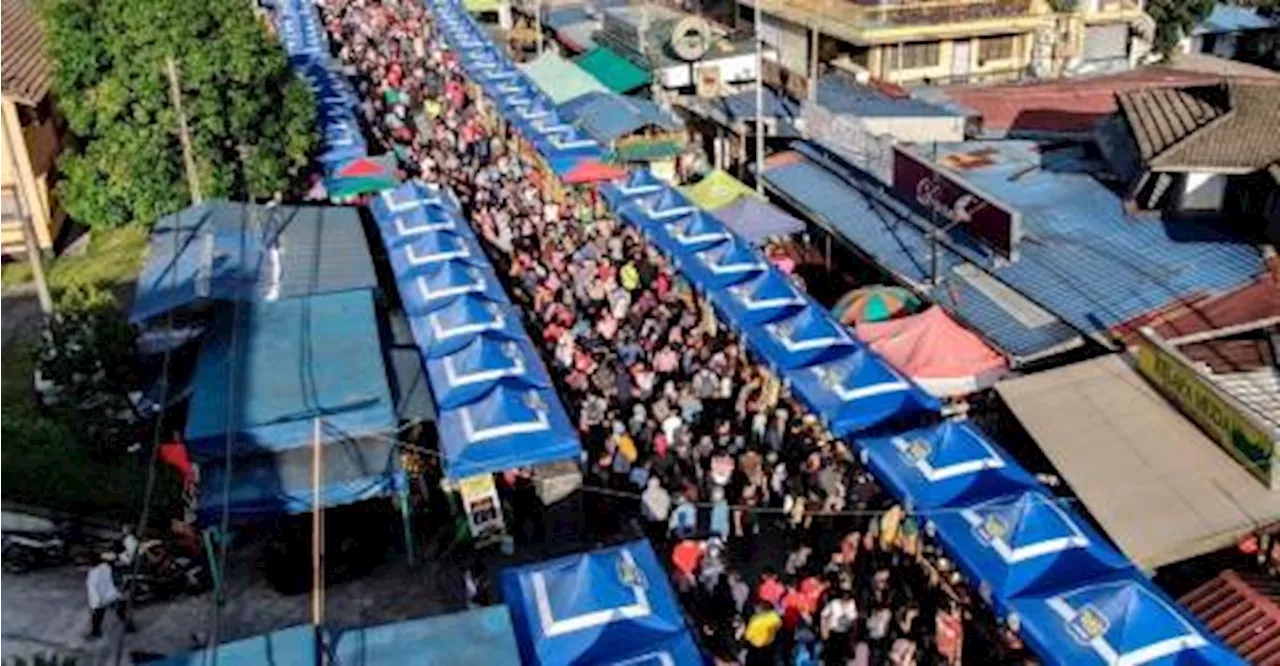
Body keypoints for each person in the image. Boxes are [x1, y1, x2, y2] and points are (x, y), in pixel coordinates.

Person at [86, 553, 134, 638]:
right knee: (121, 611)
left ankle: (96, 632)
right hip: (113, 595)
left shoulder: (93, 574)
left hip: (102, 598)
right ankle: (129, 626)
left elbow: (93, 590)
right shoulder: (108, 569)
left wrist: (94, 603)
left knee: (97, 616)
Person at [744, 599, 783, 666]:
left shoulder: (755, 620)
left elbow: (748, 636)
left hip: (756, 647)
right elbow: (779, 626)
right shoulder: (774, 616)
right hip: (770, 646)